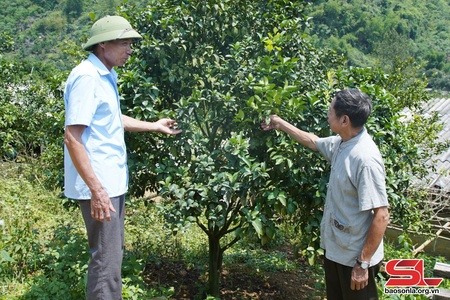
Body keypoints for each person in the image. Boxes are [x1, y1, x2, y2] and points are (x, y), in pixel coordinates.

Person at [63, 15, 182, 300]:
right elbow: (72, 137)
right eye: (125, 43)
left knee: (110, 259)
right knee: (106, 266)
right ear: (103, 44)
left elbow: (111, 118)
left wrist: (153, 125)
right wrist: (97, 191)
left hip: (110, 184)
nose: (130, 50)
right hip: (100, 185)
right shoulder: (87, 78)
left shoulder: (106, 75)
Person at [261, 89, 389, 300]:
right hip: (338, 251)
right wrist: (280, 123)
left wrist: (362, 264)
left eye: (331, 110)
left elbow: (381, 215)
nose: (327, 114)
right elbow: (313, 142)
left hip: (355, 258)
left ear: (344, 119)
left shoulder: (365, 159)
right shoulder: (342, 143)